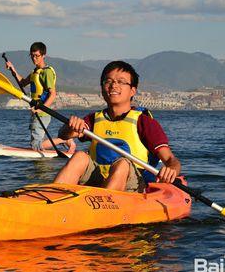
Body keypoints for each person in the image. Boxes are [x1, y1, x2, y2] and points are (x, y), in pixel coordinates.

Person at [53, 61, 181, 192]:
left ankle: (103, 205)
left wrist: (171, 170)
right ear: (102, 88)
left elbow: (171, 160)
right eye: (108, 81)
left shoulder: (144, 122)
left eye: (121, 82)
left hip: (132, 184)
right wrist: (70, 127)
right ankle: (52, 198)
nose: (113, 85)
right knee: (79, 156)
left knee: (122, 163)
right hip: (98, 179)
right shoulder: (93, 119)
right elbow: (63, 135)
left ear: (132, 90)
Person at [5, 42, 76, 152]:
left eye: (37, 56)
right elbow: (23, 83)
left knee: (35, 145)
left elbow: (53, 94)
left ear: (43, 55)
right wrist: (13, 70)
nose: (34, 58)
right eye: (32, 55)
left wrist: (40, 109)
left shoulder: (46, 73)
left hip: (42, 112)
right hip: (37, 111)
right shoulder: (35, 72)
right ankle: (52, 149)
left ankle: (65, 140)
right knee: (36, 143)